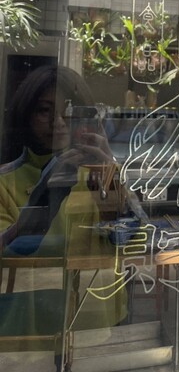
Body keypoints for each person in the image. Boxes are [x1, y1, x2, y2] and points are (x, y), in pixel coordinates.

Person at [0, 65, 127, 367]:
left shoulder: (96, 171)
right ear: (26, 115)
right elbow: (8, 251)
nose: (58, 123)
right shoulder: (5, 180)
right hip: (27, 326)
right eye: (44, 111)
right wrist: (45, 190)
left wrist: (111, 176)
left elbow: (127, 237)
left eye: (69, 112)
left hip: (94, 314)